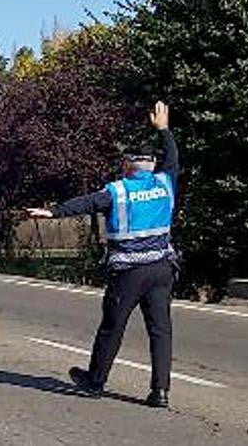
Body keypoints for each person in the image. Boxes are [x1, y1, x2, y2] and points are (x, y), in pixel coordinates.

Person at [27, 101, 178, 408]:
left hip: (129, 272)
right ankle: (160, 391)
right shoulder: (165, 182)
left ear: (128, 165)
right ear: (151, 165)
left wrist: (52, 212)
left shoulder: (118, 192)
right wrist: (163, 130)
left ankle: (95, 380)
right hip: (163, 267)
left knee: (113, 325)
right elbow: (173, 158)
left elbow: (86, 203)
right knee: (160, 330)